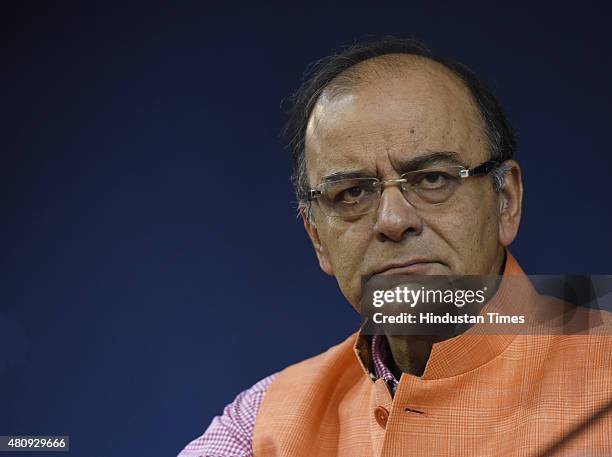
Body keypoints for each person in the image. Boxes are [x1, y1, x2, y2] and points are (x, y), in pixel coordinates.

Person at [178, 37, 612, 457]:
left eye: (432, 179)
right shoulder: (261, 424)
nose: (393, 220)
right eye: (351, 193)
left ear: (506, 201)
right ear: (316, 237)